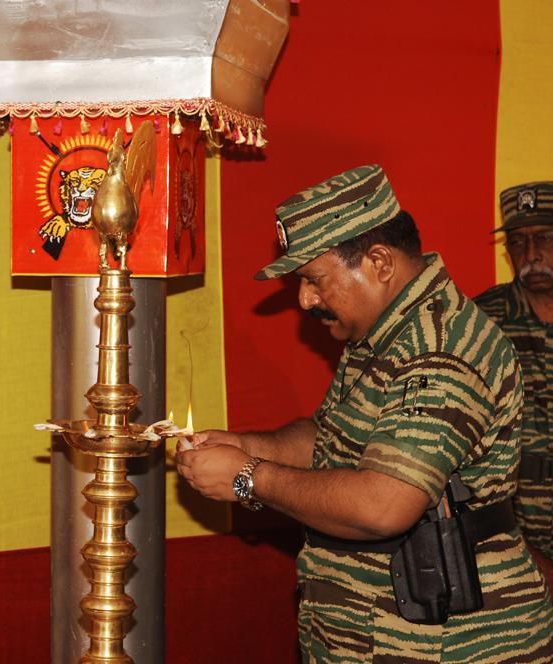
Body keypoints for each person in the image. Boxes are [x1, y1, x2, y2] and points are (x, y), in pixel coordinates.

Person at [176, 164, 553, 661]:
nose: (305, 299)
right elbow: (331, 439)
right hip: (375, 632)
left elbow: (382, 505)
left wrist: (248, 477)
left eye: (314, 279)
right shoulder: (384, 332)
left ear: (379, 262)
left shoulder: (439, 349)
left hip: (444, 642)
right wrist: (247, 446)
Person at [476, 181, 553, 589]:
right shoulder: (481, 322)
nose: (532, 254)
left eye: (544, 238)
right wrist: (515, 547)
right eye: (519, 242)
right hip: (510, 540)